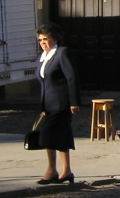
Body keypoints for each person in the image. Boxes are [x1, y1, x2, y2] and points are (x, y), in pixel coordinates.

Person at [35, 22, 81, 185]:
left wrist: (74, 102)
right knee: (61, 136)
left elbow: (72, 77)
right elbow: (43, 82)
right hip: (48, 105)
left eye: (45, 39)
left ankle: (51, 170)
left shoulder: (62, 53)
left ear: (54, 38)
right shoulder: (43, 58)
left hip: (62, 103)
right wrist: (43, 106)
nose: (42, 43)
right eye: (40, 40)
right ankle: (66, 171)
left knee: (47, 135)